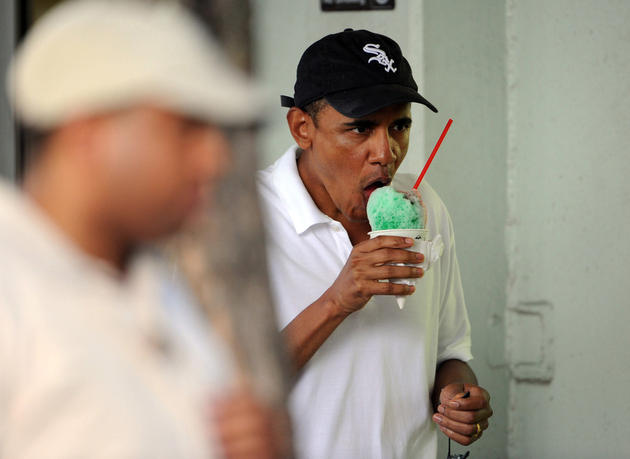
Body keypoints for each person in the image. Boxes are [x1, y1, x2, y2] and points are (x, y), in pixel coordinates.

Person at [0, 1, 283, 458]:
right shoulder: (11, 291)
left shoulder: (152, 286)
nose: (214, 159)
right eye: (186, 127)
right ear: (86, 132)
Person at [257, 29, 493, 458]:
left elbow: (449, 351)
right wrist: (337, 301)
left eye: (399, 125)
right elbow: (222, 390)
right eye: (360, 128)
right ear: (302, 127)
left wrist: (458, 397)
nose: (387, 152)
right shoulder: (246, 220)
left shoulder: (426, 207)